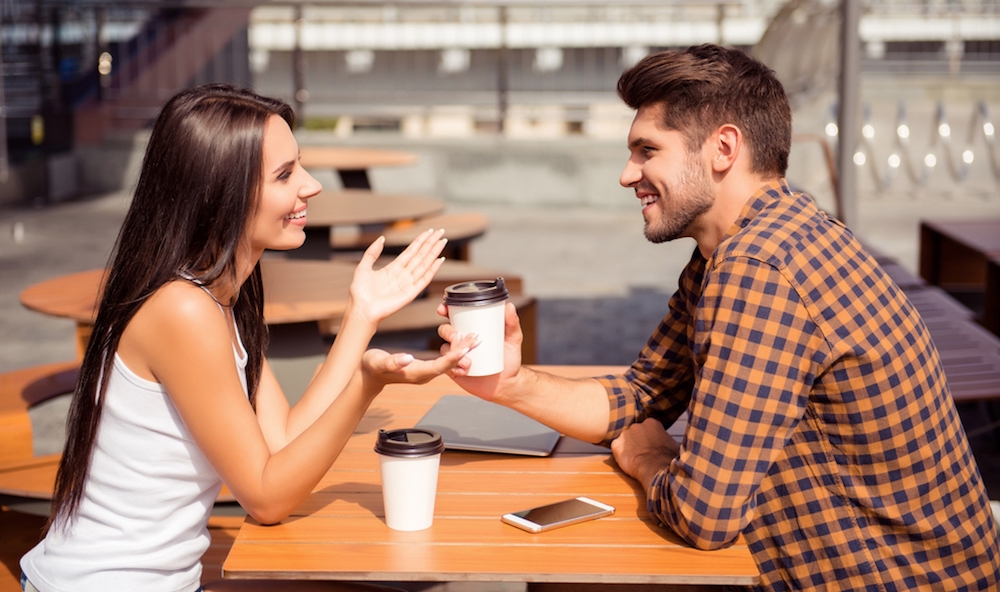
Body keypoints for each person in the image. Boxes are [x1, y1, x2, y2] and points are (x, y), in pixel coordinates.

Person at [438, 44, 1000, 591]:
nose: (627, 174)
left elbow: (703, 514)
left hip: (890, 580)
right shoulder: (745, 245)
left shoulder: (759, 267)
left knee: (568, 575)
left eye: (647, 150)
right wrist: (508, 383)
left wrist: (652, 458)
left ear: (723, 148)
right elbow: (644, 395)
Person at [20, 84, 476, 592]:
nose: (311, 186)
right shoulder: (183, 309)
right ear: (221, 193)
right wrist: (366, 385)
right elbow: (266, 497)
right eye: (285, 175)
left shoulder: (215, 297)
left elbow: (281, 441)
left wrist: (361, 316)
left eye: (299, 165)